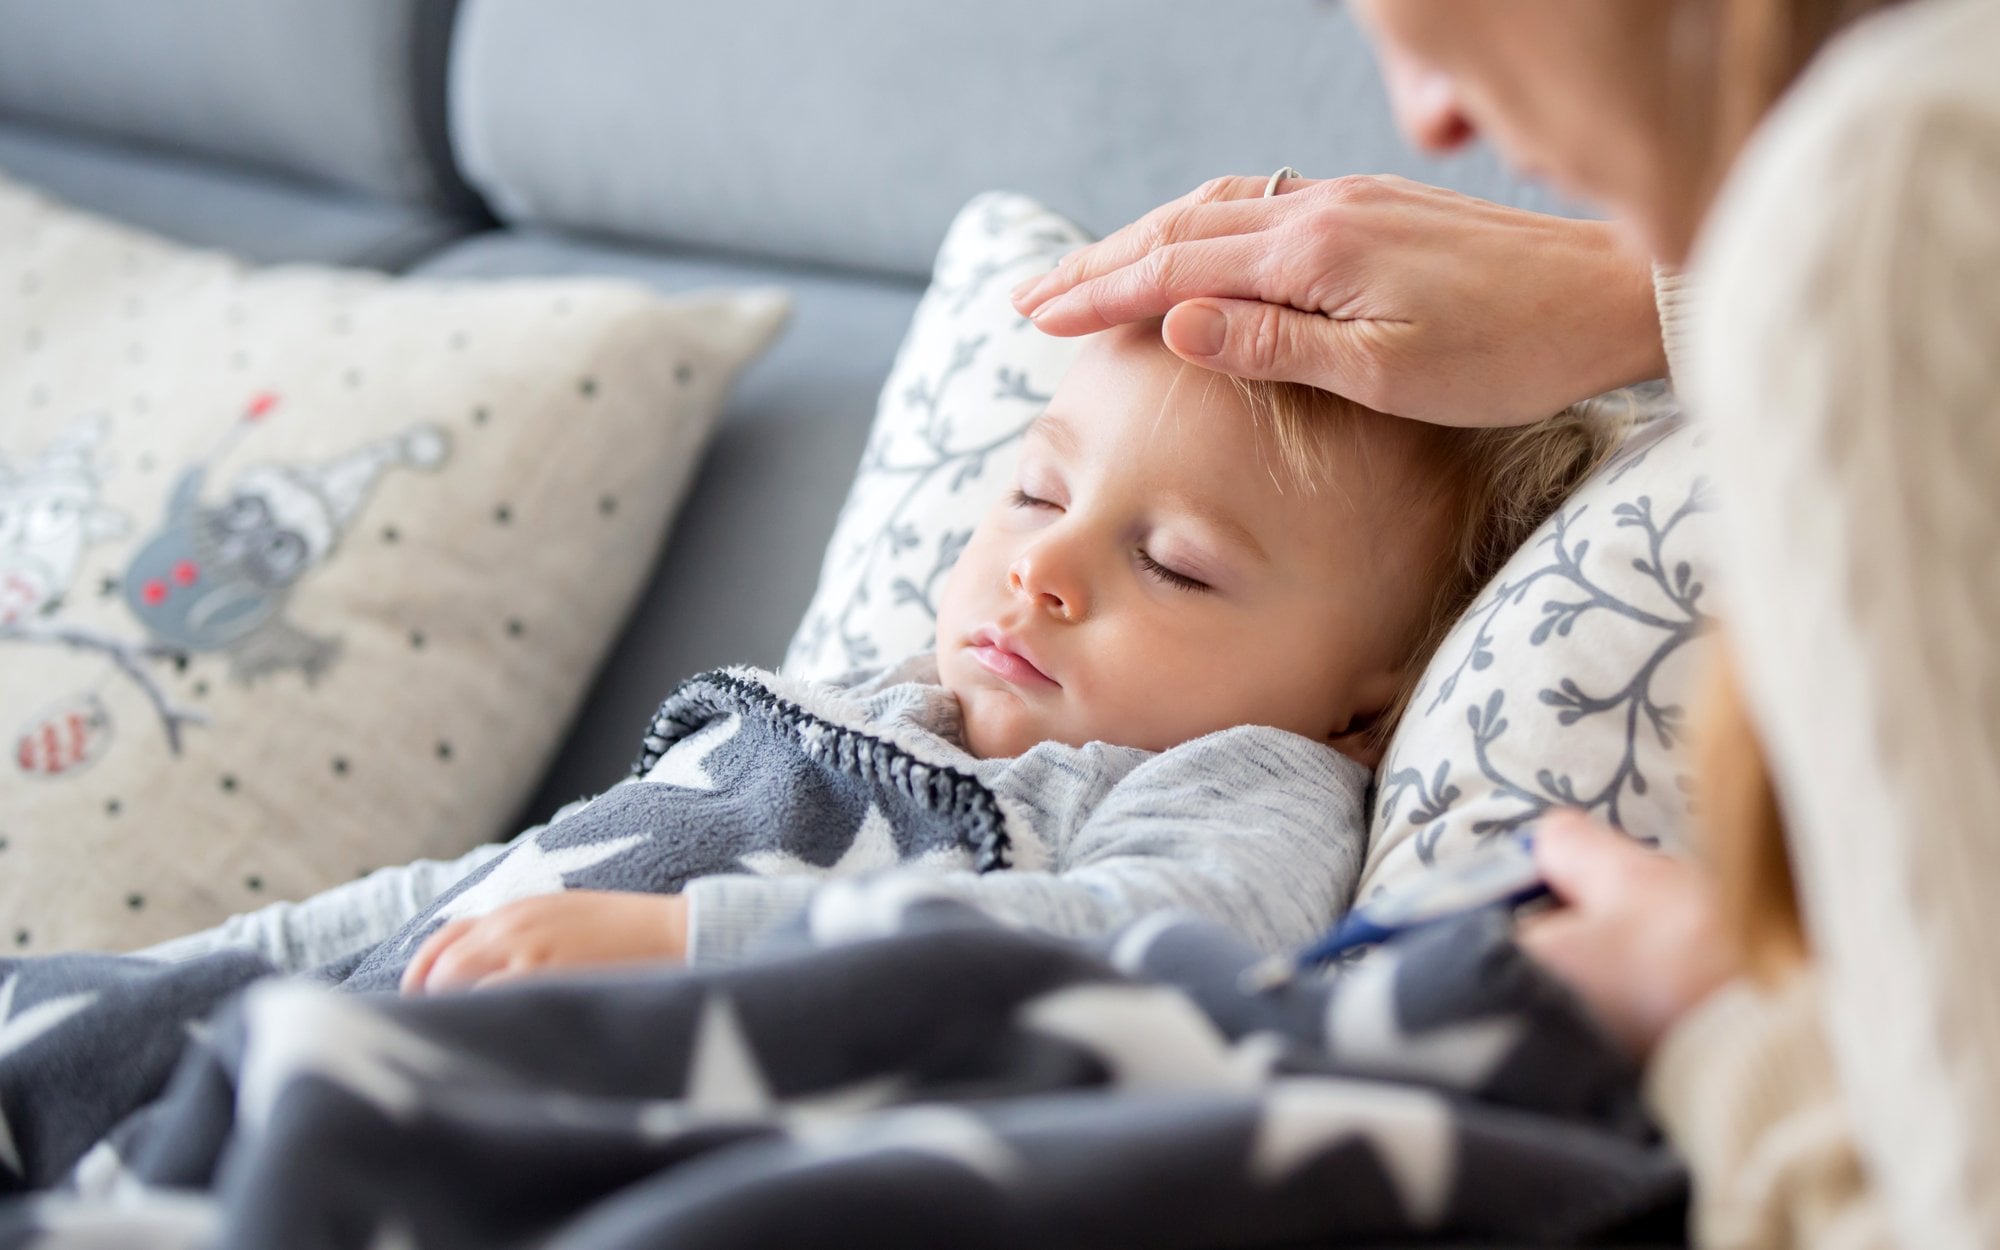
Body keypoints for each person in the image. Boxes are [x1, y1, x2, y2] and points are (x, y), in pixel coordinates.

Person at [1012, 1, 2000, 1247]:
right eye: (1030, 491)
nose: (1429, 117)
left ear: (1368, 706)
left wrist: (1708, 1021)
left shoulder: (1898, 196)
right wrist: (1644, 293)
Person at [144, 318, 1613, 997]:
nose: (1042, 563)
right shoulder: (841, 705)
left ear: (1364, 711)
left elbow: (1167, 947)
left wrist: (697, 948)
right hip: (362, 1008)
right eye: (1038, 493)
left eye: (1173, 563)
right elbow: (485, 885)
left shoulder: (1238, 786)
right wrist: (189, 972)